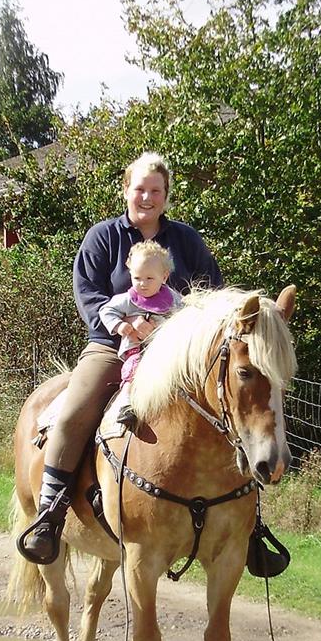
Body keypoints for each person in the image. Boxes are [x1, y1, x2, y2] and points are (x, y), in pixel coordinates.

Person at [18, 152, 222, 565]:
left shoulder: (186, 240)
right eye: (140, 189)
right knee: (75, 410)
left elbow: (211, 292)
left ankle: (245, 521)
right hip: (112, 347)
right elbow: (88, 292)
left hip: (177, 355)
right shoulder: (101, 237)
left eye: (156, 190)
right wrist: (126, 328)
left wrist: (177, 332)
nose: (147, 197)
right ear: (126, 191)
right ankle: (50, 512)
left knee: (230, 404)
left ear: (166, 195)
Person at [98, 240, 184, 390]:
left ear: (164, 277)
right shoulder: (127, 299)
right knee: (134, 373)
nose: (142, 284)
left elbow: (185, 315)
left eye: (149, 278)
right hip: (137, 349)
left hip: (167, 352)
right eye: (137, 278)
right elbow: (106, 310)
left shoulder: (173, 299)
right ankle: (126, 401)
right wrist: (119, 325)